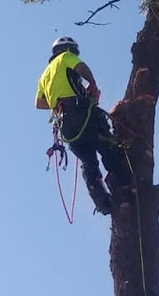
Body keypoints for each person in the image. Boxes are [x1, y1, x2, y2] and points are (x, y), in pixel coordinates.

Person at [36, 36, 127, 215]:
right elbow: (81, 67)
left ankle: (102, 202)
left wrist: (59, 103)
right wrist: (92, 84)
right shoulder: (65, 57)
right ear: (69, 49)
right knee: (106, 143)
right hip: (80, 111)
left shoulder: (44, 74)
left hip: (66, 125)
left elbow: (39, 103)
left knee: (88, 161)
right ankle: (125, 181)